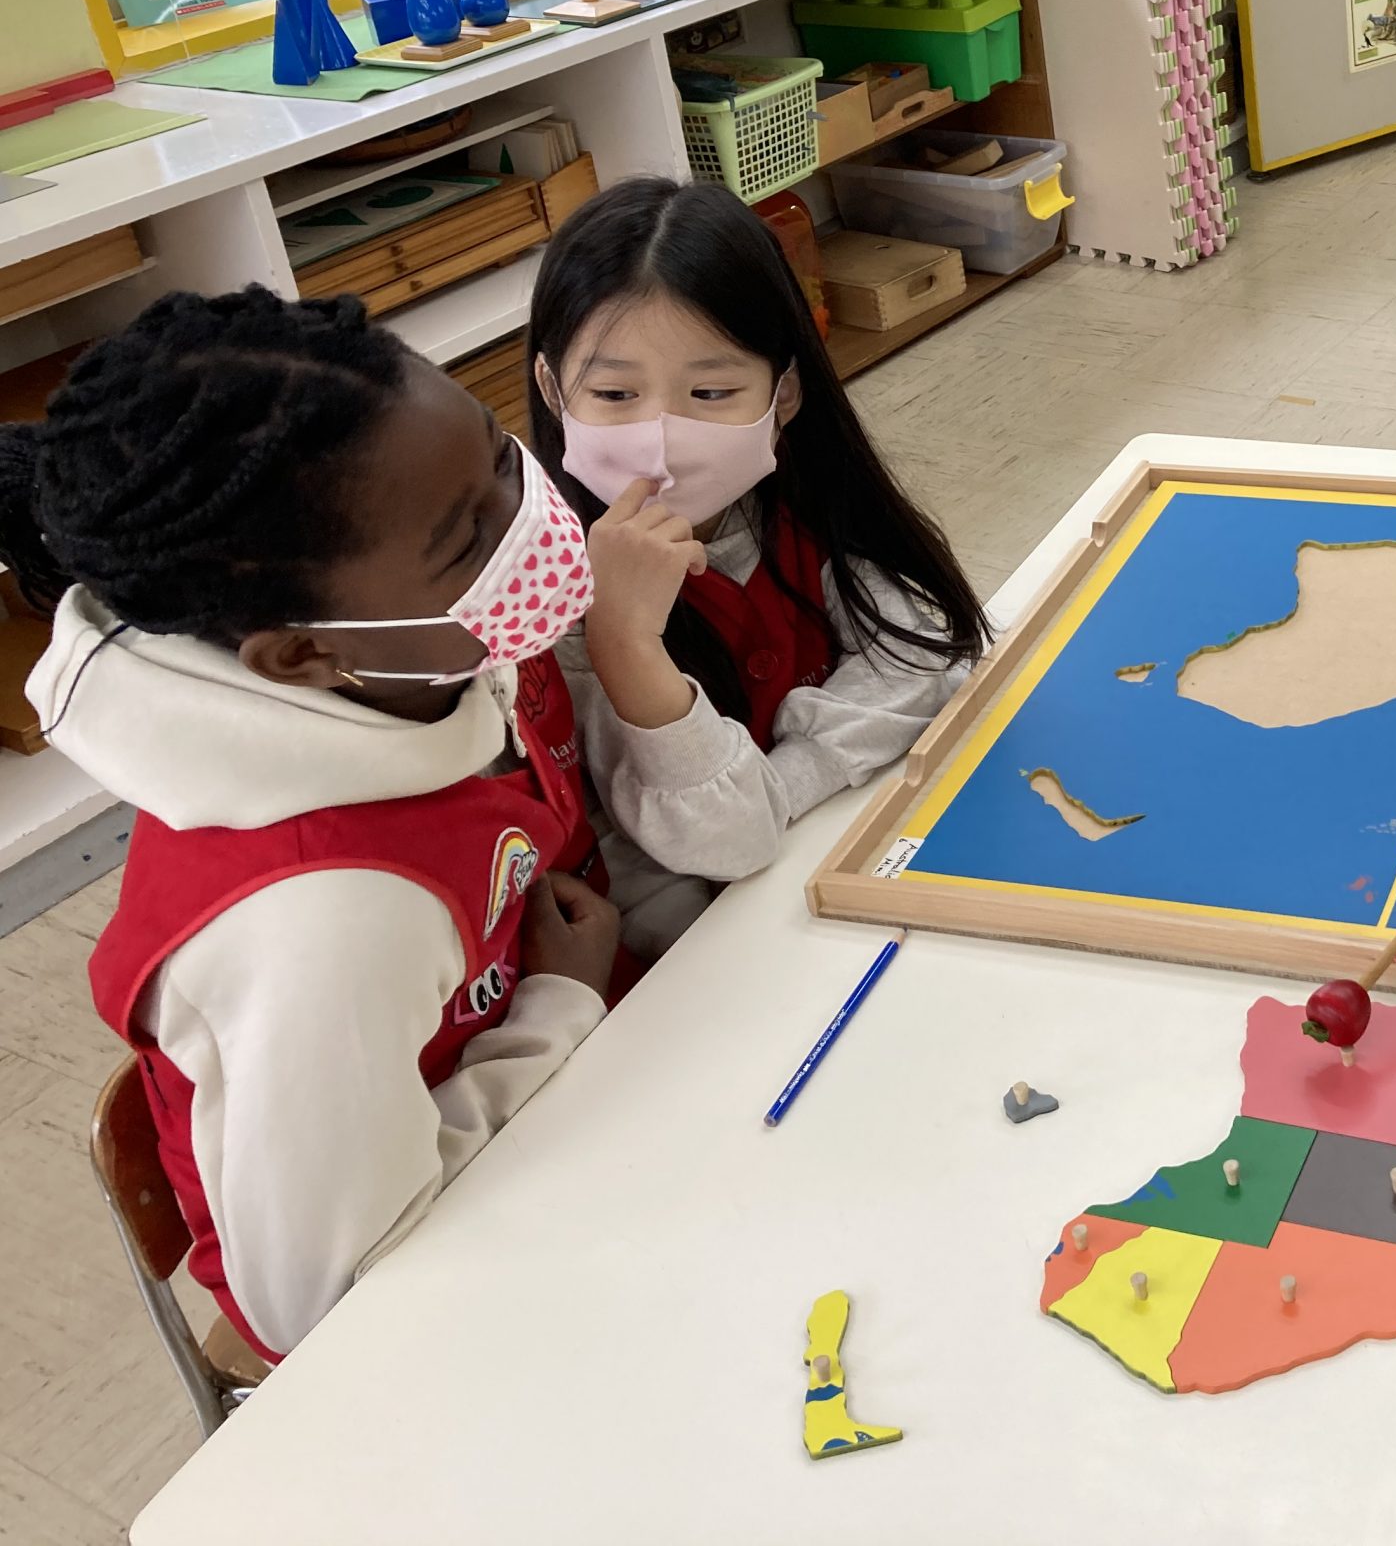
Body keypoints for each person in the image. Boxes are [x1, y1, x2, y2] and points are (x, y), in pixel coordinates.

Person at [0, 290, 618, 1362]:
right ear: (301, 653)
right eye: (470, 537)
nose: (530, 518)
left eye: (500, 457)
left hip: (532, 1119)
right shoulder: (323, 922)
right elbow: (332, 1299)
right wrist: (558, 1009)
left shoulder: (415, 666)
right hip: (421, 1326)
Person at [526, 178, 988, 958]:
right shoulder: (551, 602)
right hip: (699, 955)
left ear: (785, 395)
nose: (662, 437)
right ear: (551, 388)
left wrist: (785, 783)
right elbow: (721, 840)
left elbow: (925, 658)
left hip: (821, 876)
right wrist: (626, 643)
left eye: (711, 391)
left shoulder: (797, 505)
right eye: (614, 392)